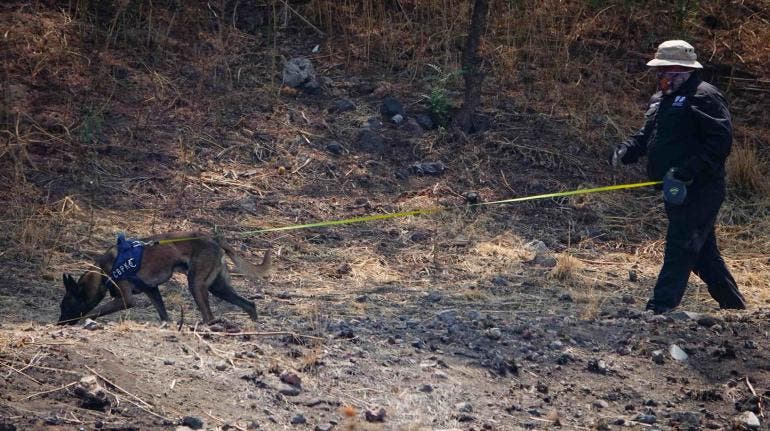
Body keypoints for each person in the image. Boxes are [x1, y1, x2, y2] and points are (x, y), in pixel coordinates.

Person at [611, 40, 746, 314]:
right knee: (702, 252)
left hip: (701, 188)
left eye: (668, 71)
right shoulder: (660, 99)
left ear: (685, 70)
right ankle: (734, 307)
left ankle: (659, 308)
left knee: (681, 243)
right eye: (660, 71)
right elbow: (648, 135)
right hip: (674, 190)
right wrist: (627, 150)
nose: (662, 76)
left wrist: (685, 171)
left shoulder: (704, 96)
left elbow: (720, 143)